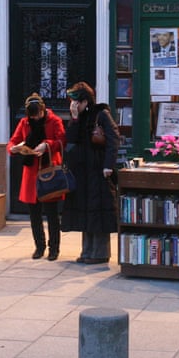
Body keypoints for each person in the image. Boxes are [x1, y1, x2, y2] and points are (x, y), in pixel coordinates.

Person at [61, 81, 119, 264]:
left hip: (98, 169)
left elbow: (113, 138)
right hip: (82, 171)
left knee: (98, 211)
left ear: (86, 100)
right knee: (87, 210)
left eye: (77, 102)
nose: (75, 105)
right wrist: (75, 118)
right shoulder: (79, 117)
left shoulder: (101, 114)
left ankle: (100, 253)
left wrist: (108, 165)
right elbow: (71, 139)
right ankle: (87, 251)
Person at [7, 94, 67, 260]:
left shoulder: (54, 121)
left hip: (48, 170)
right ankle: (39, 246)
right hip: (31, 172)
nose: (35, 118)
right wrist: (13, 149)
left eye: (38, 114)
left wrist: (47, 144)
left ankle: (54, 248)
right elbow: (13, 141)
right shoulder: (24, 122)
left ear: (43, 109)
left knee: (52, 213)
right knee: (34, 214)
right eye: (32, 116)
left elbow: (62, 140)